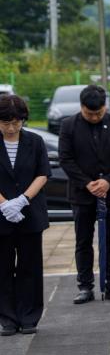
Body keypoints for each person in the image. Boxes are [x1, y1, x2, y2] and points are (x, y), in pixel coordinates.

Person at [58, 84, 110, 304]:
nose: (94, 117)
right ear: (81, 107)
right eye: (89, 114)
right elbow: (66, 159)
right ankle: (85, 286)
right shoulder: (68, 126)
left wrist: (108, 181)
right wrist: (87, 183)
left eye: (98, 113)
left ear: (105, 107)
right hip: (81, 194)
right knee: (83, 241)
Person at [0, 94, 50, 336]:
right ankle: (7, 318)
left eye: (16, 123)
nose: (11, 128)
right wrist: (5, 205)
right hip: (1, 214)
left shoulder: (35, 141)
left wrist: (22, 200)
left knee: (30, 266)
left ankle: (29, 316)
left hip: (30, 212)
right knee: (3, 267)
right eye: (5, 123)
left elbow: (43, 173)